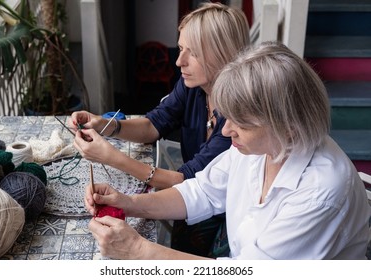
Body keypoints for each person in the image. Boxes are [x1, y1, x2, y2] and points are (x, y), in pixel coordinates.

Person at [84, 41, 371, 260]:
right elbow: (202, 191)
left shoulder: (321, 192)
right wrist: (129, 203)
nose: (225, 130)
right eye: (226, 115)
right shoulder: (263, 146)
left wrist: (138, 249)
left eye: (241, 123)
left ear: (288, 126)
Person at [68, 2, 250, 257]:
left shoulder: (239, 124)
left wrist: (112, 157)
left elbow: (186, 181)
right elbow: (155, 123)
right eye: (181, 48)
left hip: (223, 218)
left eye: (192, 53)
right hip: (193, 200)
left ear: (224, 55)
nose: (179, 61)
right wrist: (106, 125)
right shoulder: (194, 88)